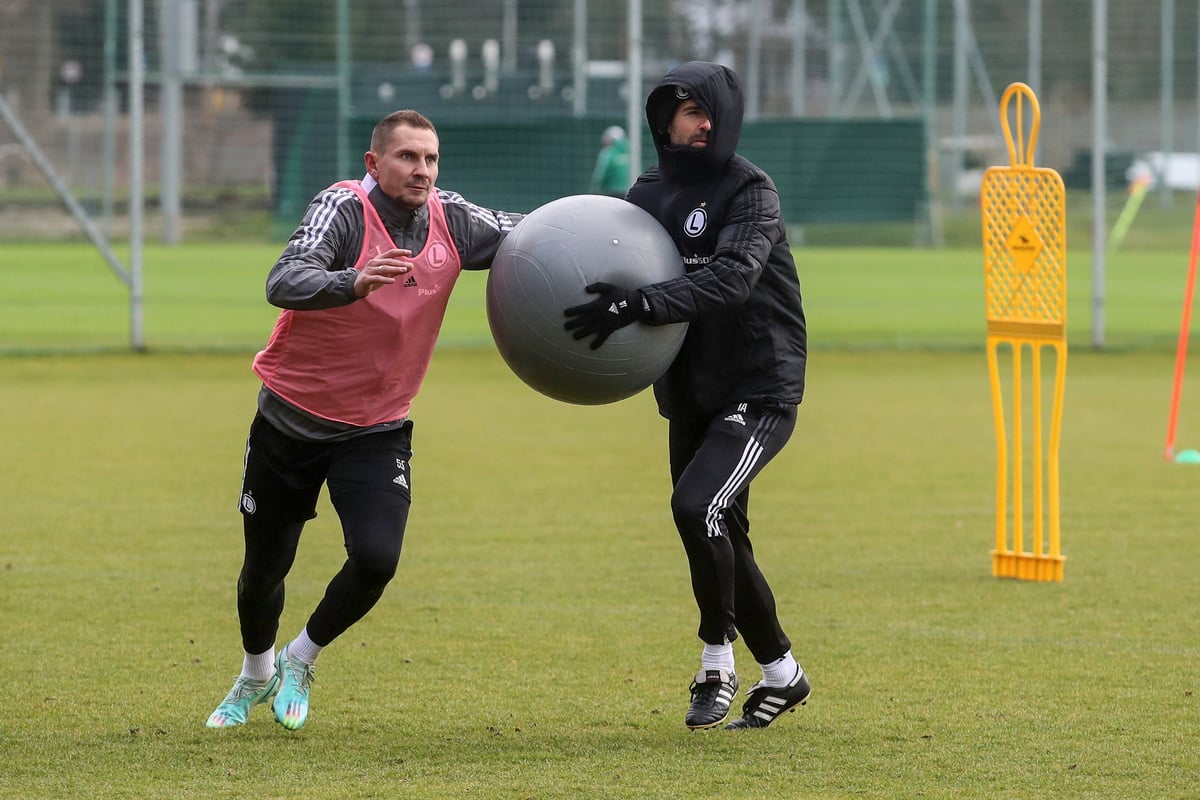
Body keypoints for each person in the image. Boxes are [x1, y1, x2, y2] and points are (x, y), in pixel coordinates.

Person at [206, 109, 523, 731]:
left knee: (377, 558)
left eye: (430, 158)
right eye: (407, 157)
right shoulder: (344, 209)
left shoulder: (452, 218)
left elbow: (538, 232)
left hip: (377, 429)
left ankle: (301, 659)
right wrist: (351, 282)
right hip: (290, 423)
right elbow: (285, 278)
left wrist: (627, 218)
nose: (422, 170)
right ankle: (255, 672)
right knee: (263, 574)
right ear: (374, 164)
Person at [563, 62, 810, 731]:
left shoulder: (751, 190)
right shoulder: (645, 192)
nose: (697, 124)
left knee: (695, 506)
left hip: (760, 384)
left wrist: (637, 303)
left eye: (708, 112)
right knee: (720, 527)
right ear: (664, 118)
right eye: (685, 111)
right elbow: (596, 250)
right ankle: (783, 673)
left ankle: (715, 661)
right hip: (690, 390)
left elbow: (731, 280)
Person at [589, 125, 630, 197]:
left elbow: (601, 174)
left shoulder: (608, 152)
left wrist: (597, 188)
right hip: (631, 191)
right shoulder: (632, 152)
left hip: (612, 192)